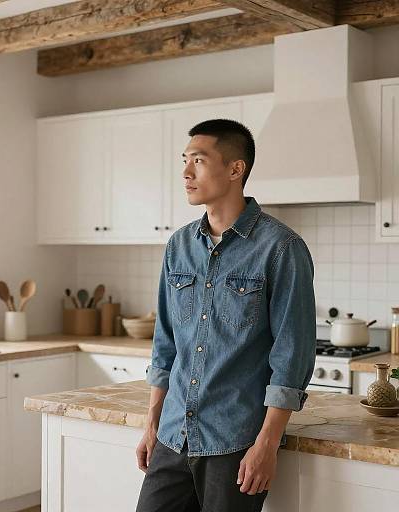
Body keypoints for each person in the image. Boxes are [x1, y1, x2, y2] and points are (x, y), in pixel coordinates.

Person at [135, 119, 316, 512]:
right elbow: (165, 344)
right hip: (172, 435)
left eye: (198, 161)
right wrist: (152, 422)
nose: (185, 172)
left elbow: (292, 355)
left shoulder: (282, 249)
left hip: (235, 442)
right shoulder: (179, 245)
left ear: (236, 169)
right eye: (185, 160)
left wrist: (267, 444)